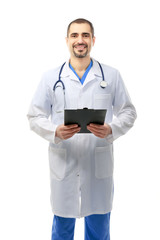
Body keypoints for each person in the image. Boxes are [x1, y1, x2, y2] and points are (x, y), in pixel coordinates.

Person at [27, 18, 137, 240]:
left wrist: (111, 130)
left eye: (85, 35)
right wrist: (55, 131)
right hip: (64, 165)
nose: (80, 40)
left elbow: (128, 112)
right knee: (62, 230)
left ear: (93, 40)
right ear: (67, 40)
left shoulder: (111, 75)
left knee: (99, 229)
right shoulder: (51, 78)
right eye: (75, 35)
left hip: (98, 165)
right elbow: (34, 115)